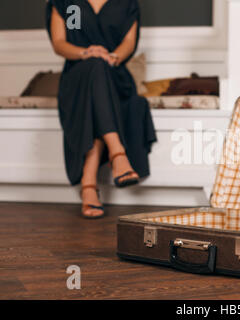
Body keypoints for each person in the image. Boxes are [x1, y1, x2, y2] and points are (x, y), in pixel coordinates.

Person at [46, 0, 157, 219]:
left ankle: (89, 182)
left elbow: (128, 42)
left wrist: (113, 56)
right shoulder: (66, 3)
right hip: (78, 75)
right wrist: (87, 52)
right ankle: (118, 155)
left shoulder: (127, 4)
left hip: (115, 75)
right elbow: (59, 43)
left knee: (99, 79)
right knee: (94, 70)